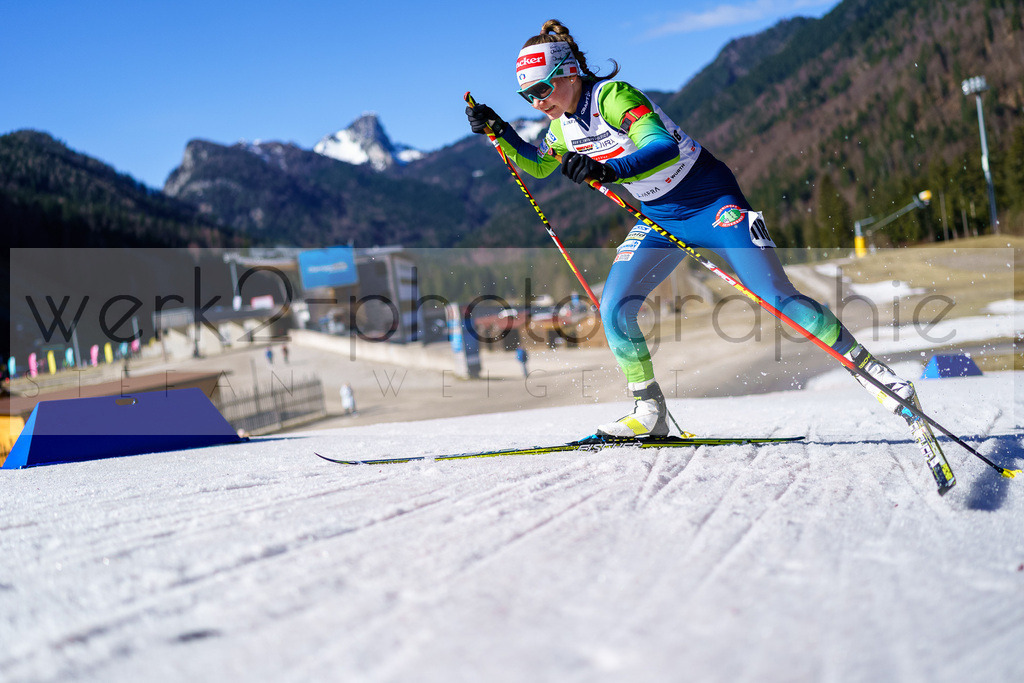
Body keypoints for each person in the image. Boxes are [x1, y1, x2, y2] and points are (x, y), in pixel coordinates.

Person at [465, 20, 948, 479]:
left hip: (712, 200)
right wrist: (500, 130)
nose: (537, 102)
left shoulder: (613, 96)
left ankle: (878, 377)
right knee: (613, 307)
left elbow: (661, 147)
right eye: (527, 96)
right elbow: (541, 167)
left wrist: (610, 171)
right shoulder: (560, 127)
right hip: (659, 217)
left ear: (569, 72)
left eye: (541, 89)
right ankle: (648, 410)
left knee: (776, 296)